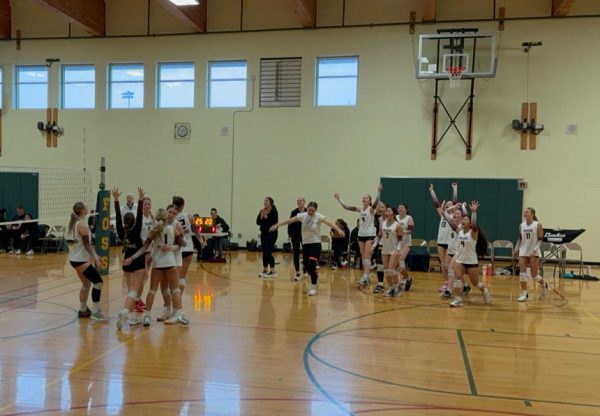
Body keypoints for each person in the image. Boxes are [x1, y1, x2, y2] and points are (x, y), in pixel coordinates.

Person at [124, 205, 189, 326]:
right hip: (170, 262)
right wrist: (170, 247)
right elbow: (183, 244)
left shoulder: (153, 230)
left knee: (152, 290)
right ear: (165, 217)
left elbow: (144, 248)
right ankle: (179, 314)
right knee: (175, 289)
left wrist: (132, 257)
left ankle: (147, 316)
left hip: (157, 263)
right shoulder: (171, 229)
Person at [270, 201, 344, 296]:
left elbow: (329, 223)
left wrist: (339, 230)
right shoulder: (303, 215)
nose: (311, 212)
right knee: (306, 266)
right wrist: (277, 225)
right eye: (309, 210)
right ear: (307, 208)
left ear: (316, 210)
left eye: (313, 210)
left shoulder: (318, 216)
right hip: (306, 245)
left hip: (315, 244)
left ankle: (313, 286)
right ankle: (315, 277)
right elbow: (290, 221)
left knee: (312, 264)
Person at [334, 184, 382, 287]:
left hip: (369, 235)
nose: (364, 199)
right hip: (361, 235)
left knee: (367, 257)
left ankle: (365, 276)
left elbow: (376, 202)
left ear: (369, 201)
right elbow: (347, 207)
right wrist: (339, 199)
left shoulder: (371, 209)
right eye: (363, 198)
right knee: (363, 256)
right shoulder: (360, 209)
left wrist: (379, 192)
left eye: (366, 198)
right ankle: (366, 277)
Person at [113, 187, 145, 330]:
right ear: (134, 223)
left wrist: (116, 200)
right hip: (137, 262)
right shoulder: (136, 230)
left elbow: (118, 218)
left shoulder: (121, 232)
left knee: (130, 291)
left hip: (125, 263)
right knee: (134, 292)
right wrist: (140, 199)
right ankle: (125, 312)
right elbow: (139, 216)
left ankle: (132, 318)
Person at [67, 202, 106, 321]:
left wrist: (96, 256)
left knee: (86, 284)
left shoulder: (76, 224)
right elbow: (87, 245)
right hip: (79, 260)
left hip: (76, 259)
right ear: (83, 210)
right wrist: (96, 259)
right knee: (98, 282)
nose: (87, 208)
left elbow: (86, 246)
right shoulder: (82, 226)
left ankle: (83, 310)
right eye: (86, 207)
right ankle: (96, 311)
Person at [449, 201, 491, 307]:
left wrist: (473, 212)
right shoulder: (459, 231)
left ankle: (484, 290)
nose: (463, 220)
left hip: (471, 261)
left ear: (470, 223)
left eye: (466, 219)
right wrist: (444, 211)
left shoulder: (473, 232)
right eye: (463, 219)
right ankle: (458, 299)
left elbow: (474, 223)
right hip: (460, 261)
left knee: (476, 283)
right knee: (457, 278)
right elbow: (450, 221)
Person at [513, 207, 549, 302]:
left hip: (534, 252)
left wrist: (535, 250)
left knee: (534, 275)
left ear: (532, 214)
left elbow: (541, 240)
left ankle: (544, 284)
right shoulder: (521, 225)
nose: (525, 213)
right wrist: (516, 249)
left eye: (527, 212)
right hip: (523, 251)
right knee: (522, 274)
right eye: (524, 212)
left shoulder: (538, 225)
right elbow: (520, 238)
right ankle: (524, 293)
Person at [429, 183, 458, 292]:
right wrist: (432, 191)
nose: (448, 206)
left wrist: (455, 189)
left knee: (447, 265)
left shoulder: (454, 216)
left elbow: (455, 203)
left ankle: (453, 282)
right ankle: (445, 283)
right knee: (443, 264)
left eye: (450, 205)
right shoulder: (442, 214)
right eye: (447, 205)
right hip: (440, 242)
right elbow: (436, 204)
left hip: (449, 243)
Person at [256, 196, 279, 277]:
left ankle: (273, 271)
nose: (265, 202)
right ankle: (265, 270)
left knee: (268, 251)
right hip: (264, 234)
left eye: (267, 201)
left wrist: (266, 217)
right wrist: (262, 216)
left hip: (272, 234)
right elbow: (258, 222)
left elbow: (274, 222)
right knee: (264, 252)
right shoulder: (262, 211)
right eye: (264, 201)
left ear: (270, 203)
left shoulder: (274, 211)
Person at [395, 203, 415, 292]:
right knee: (396, 264)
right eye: (399, 207)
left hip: (406, 243)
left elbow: (410, 231)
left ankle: (402, 279)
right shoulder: (396, 217)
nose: (400, 209)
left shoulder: (409, 218)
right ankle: (407, 278)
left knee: (401, 260)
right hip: (397, 243)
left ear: (406, 210)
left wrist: (401, 231)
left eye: (402, 207)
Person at [288, 197, 306, 280]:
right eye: (298, 201)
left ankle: (305, 269)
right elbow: (290, 222)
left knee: (306, 252)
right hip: (295, 234)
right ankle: (298, 272)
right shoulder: (294, 212)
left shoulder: (307, 211)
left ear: (304, 202)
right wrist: (289, 234)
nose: (299, 202)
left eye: (300, 201)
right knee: (296, 252)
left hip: (305, 235)